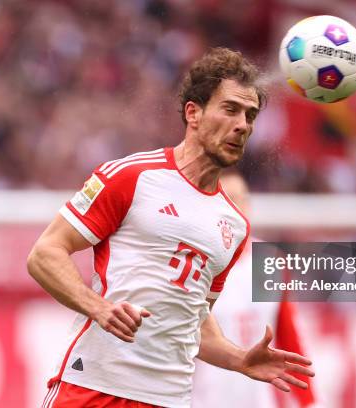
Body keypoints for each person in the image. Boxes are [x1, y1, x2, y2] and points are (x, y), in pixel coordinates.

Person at [27, 47, 315, 408]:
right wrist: (98, 307)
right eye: (230, 109)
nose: (243, 124)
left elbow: (194, 319)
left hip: (170, 399)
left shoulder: (234, 225)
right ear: (193, 113)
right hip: (95, 387)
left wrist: (238, 358)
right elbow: (44, 254)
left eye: (250, 115)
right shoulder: (132, 176)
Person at [192, 171, 316, 408]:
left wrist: (308, 401)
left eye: (241, 199)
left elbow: (288, 336)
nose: (236, 208)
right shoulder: (195, 266)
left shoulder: (270, 262)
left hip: (259, 401)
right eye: (226, 200)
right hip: (203, 400)